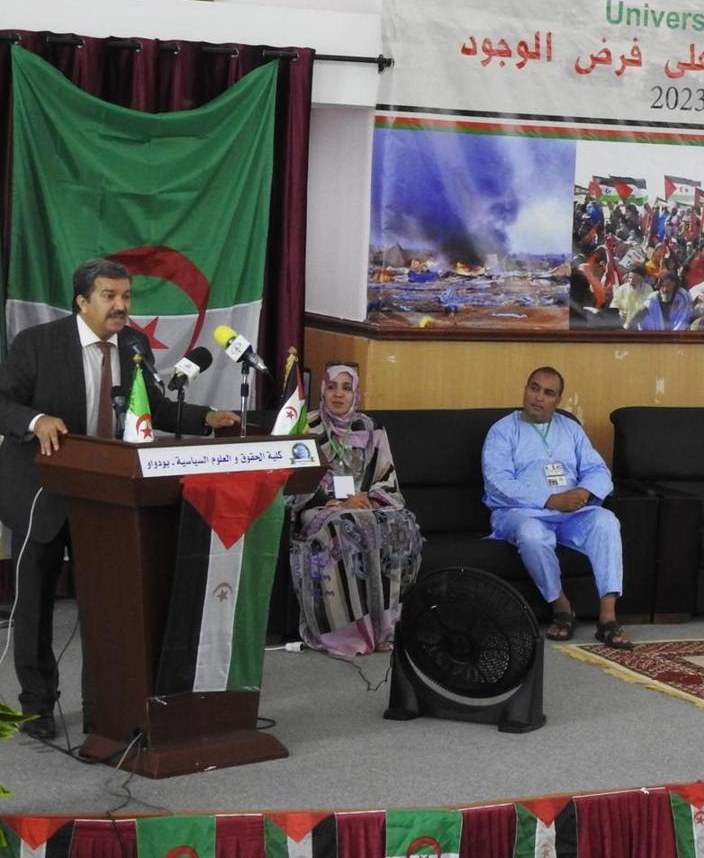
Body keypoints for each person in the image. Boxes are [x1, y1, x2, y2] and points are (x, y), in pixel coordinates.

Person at [0, 258, 239, 739]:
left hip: (107, 497)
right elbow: (4, 401)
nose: (121, 306)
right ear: (82, 302)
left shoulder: (133, 344)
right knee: (35, 606)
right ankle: (37, 706)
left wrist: (205, 418)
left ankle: (102, 709)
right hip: (40, 493)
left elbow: (153, 407)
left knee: (105, 607)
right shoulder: (38, 343)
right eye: (109, 296)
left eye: (126, 297)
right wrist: (35, 421)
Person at [482, 366, 633, 647]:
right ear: (526, 390)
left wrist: (583, 491)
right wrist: (550, 500)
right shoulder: (502, 431)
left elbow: (598, 470)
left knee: (606, 521)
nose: (538, 397)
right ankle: (562, 609)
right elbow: (497, 483)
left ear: (558, 400)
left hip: (570, 512)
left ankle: (607, 618)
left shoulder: (570, 428)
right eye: (534, 388)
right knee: (531, 534)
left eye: (548, 393)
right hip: (521, 512)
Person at [291, 363, 424, 656]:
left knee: (399, 525)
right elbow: (296, 480)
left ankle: (385, 628)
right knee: (343, 527)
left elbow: (387, 476)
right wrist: (338, 503)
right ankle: (345, 633)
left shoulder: (370, 428)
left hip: (365, 504)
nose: (338, 394)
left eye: (346, 388)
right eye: (331, 387)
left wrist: (370, 498)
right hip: (319, 507)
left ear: (356, 394)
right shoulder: (306, 427)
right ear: (322, 392)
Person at [608, 264, 653, 329]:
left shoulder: (648, 289)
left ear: (643, 278)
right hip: (623, 323)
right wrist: (620, 314)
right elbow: (614, 306)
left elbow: (648, 308)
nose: (631, 281)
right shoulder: (622, 289)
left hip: (641, 324)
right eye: (630, 278)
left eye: (636, 279)